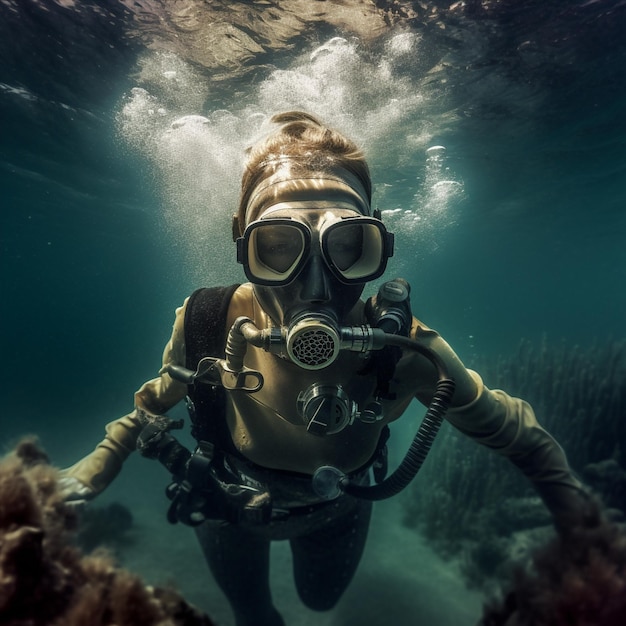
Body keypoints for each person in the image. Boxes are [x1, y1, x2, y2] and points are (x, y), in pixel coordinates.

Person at [60, 111, 589, 626]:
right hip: (225, 504)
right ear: (242, 241)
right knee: (252, 615)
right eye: (278, 248)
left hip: (337, 510)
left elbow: (518, 436)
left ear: (377, 242)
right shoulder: (205, 322)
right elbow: (156, 399)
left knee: (319, 600)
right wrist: (101, 462)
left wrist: (582, 531)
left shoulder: (405, 350)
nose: (315, 288)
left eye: (348, 248)